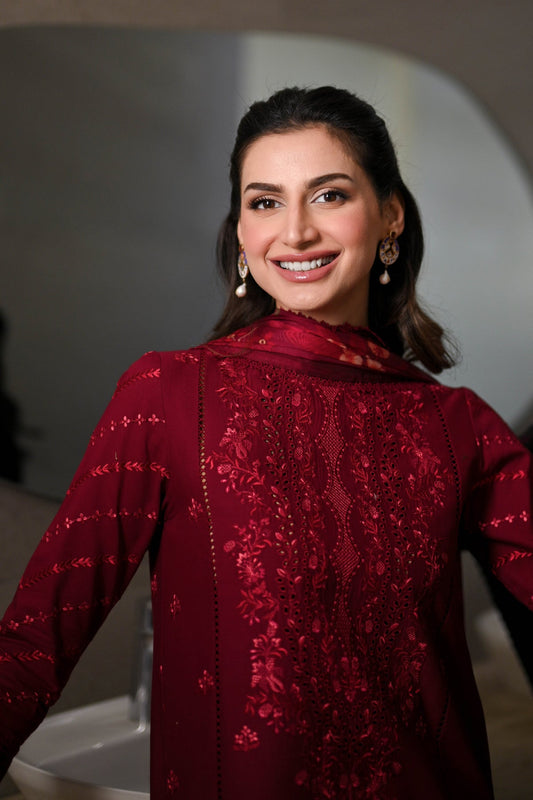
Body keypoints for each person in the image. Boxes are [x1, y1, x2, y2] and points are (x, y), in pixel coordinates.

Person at [0, 86, 531, 799]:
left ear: (390, 216)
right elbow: (37, 639)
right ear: (242, 232)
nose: (296, 232)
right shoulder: (170, 394)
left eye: (329, 195)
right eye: (265, 202)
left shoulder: (455, 424)